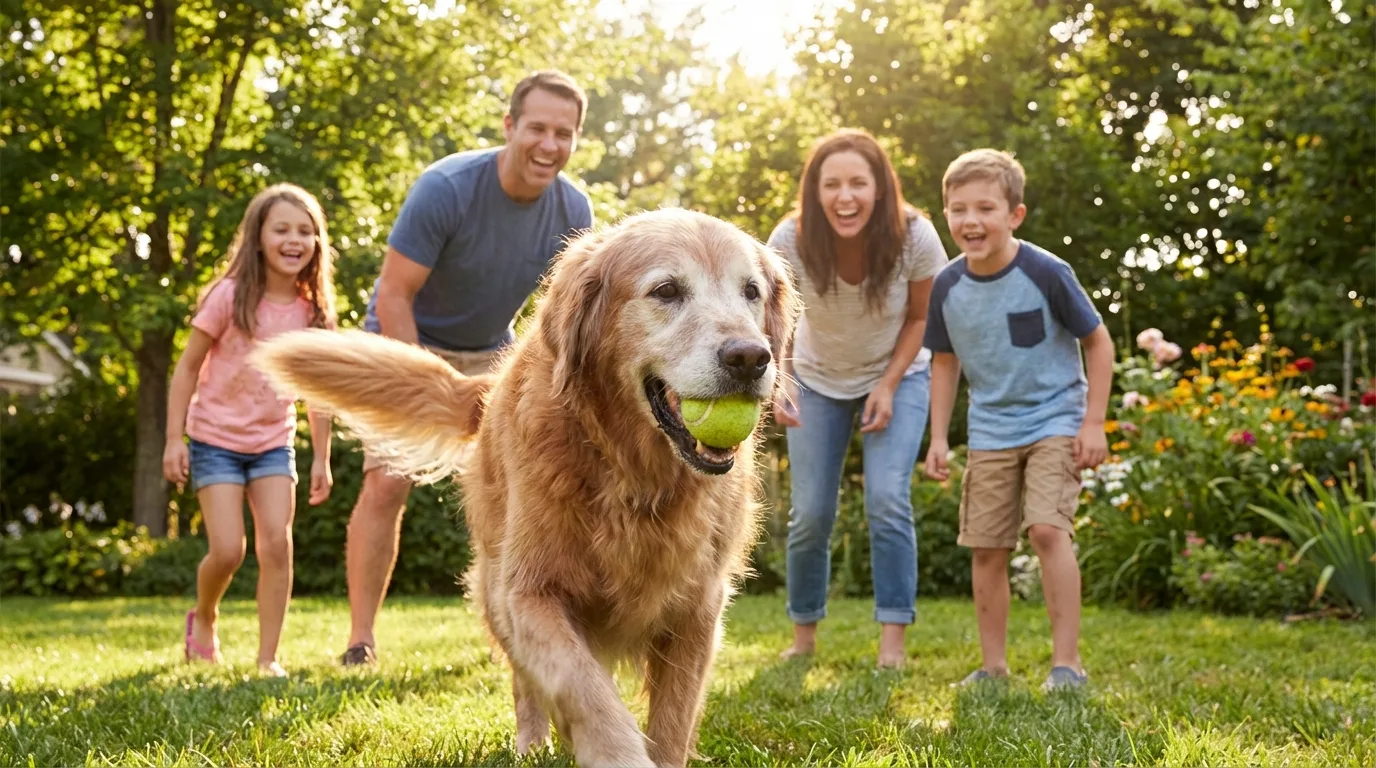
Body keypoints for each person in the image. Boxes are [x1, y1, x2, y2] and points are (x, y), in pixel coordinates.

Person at [339, 69, 594, 666]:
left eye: (564, 132)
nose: (549, 145)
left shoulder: (573, 208)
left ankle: (522, 630)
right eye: (536, 128)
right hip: (408, 338)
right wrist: (420, 382)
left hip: (492, 352)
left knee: (516, 491)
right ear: (509, 126)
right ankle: (360, 639)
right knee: (388, 483)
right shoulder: (447, 188)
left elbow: (567, 315)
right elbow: (395, 294)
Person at [922, 148, 1114, 691]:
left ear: (1015, 215)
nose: (971, 221)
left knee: (1049, 530)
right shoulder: (947, 286)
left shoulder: (1046, 271)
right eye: (959, 209)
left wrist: (1093, 422)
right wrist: (938, 437)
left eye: (985, 207)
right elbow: (944, 360)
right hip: (990, 430)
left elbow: (1098, 342)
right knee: (986, 545)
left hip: (1057, 418)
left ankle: (1067, 664)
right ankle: (993, 667)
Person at [769, 129, 950, 669]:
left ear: (879, 188)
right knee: (811, 513)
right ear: (815, 191)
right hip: (817, 378)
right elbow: (772, 318)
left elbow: (922, 317)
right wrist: (782, 380)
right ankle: (803, 638)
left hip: (898, 374)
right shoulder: (790, 239)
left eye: (857, 183)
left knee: (888, 501)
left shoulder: (915, 236)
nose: (845, 197)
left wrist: (889, 383)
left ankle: (892, 643)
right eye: (832, 185)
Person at [164, 183, 338, 677]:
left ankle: (268, 658)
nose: (294, 239)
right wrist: (175, 439)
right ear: (258, 237)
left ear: (317, 243)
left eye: (305, 231)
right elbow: (186, 369)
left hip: (271, 444)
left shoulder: (313, 311)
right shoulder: (229, 296)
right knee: (228, 549)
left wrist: (321, 457)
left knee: (277, 545)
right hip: (215, 439)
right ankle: (205, 615)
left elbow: (318, 393)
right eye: (281, 228)